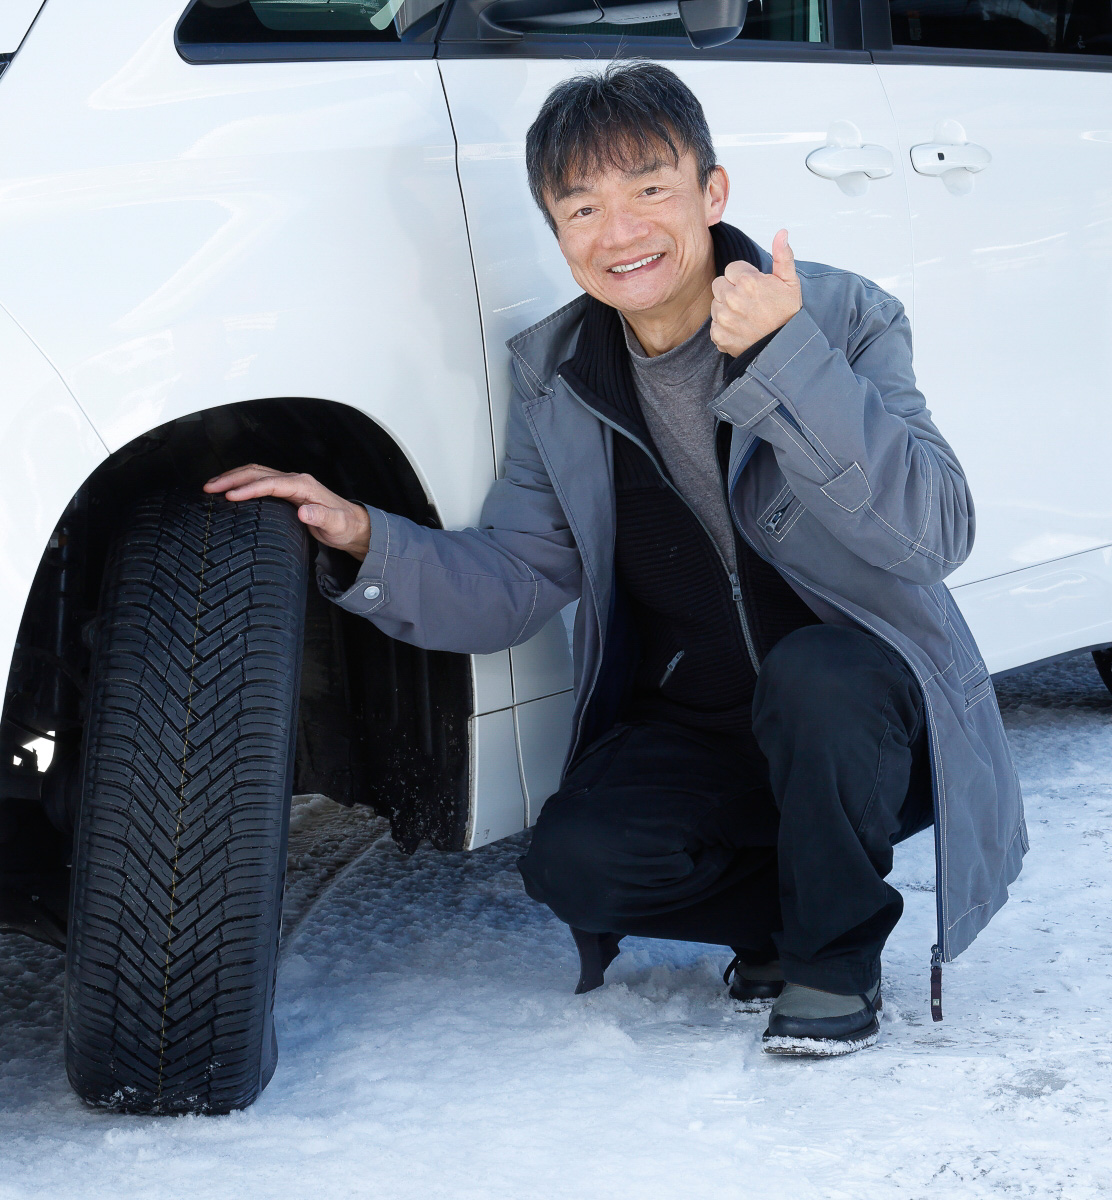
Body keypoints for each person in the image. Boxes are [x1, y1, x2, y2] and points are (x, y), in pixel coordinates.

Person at [206, 61, 1025, 1056]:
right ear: (558, 233)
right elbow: (513, 577)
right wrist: (367, 540)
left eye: (649, 190)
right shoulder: (560, 377)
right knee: (576, 863)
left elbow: (933, 531)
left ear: (711, 194)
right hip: (707, 726)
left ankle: (831, 964)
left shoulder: (840, 319)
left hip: (867, 720)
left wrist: (785, 359)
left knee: (819, 678)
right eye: (582, 207)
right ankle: (788, 914)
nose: (619, 231)